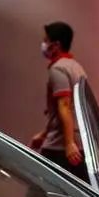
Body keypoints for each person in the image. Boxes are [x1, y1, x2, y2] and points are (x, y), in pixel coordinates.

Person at [30, 21, 88, 184]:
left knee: (39, 190)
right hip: (75, 142)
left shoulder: (58, 69)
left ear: (56, 45)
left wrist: (69, 143)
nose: (43, 45)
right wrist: (44, 134)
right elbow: (60, 110)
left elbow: (64, 106)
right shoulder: (76, 67)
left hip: (59, 145)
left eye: (46, 41)